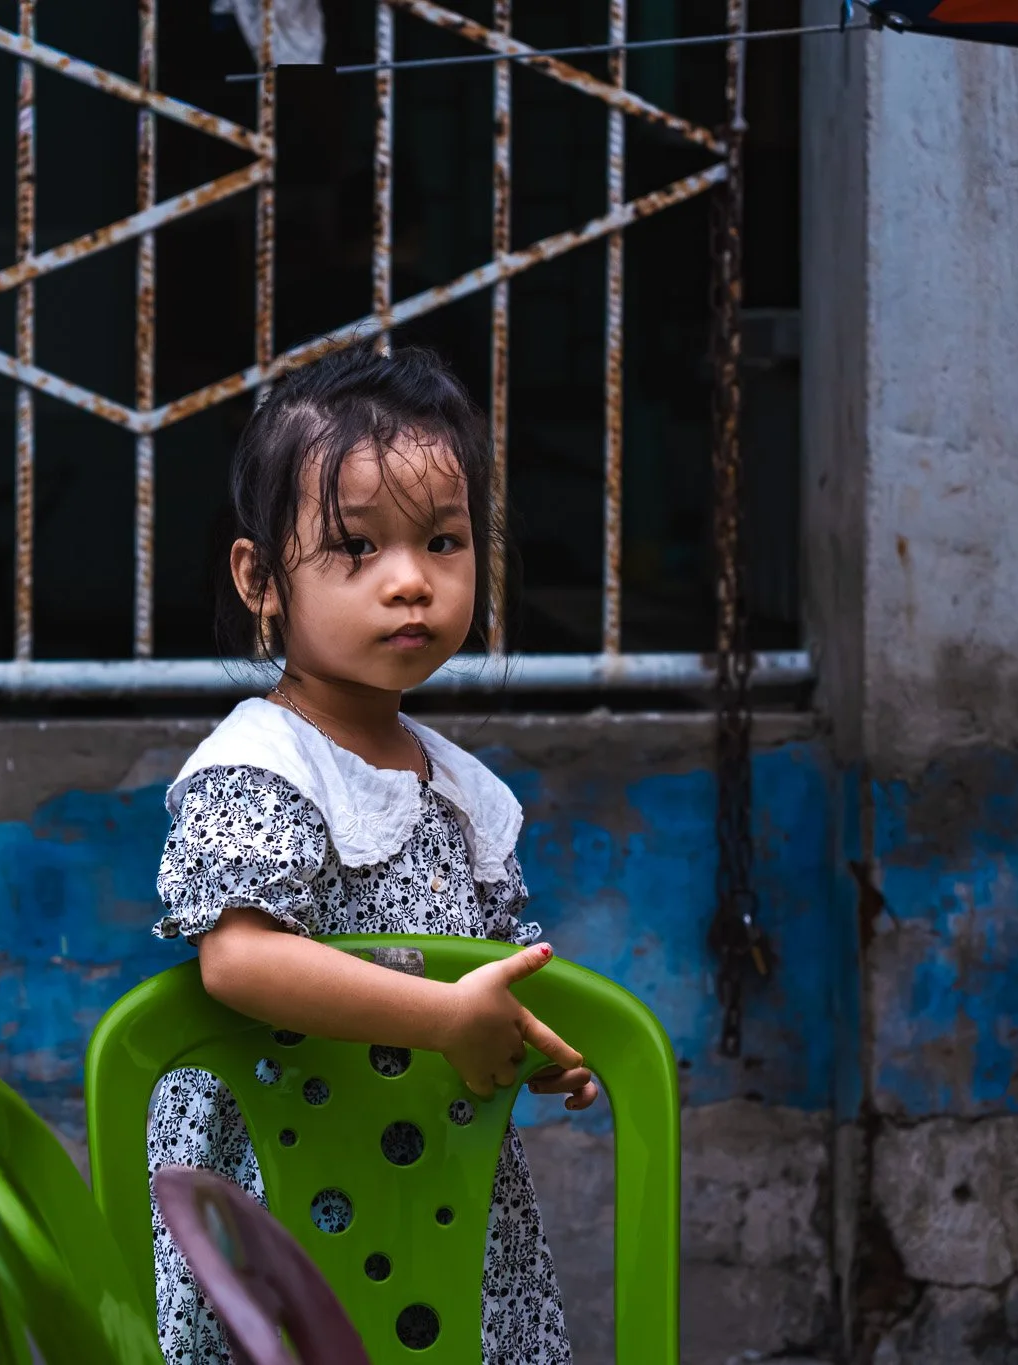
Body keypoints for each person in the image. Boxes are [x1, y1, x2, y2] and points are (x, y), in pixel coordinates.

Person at [147, 340, 593, 1363]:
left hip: (431, 1191)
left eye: (441, 541)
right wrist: (444, 1016)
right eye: (356, 549)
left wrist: (533, 1041)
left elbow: (491, 978)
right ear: (261, 579)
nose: (409, 584)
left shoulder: (467, 796)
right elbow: (240, 957)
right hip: (292, 1200)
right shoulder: (263, 765)